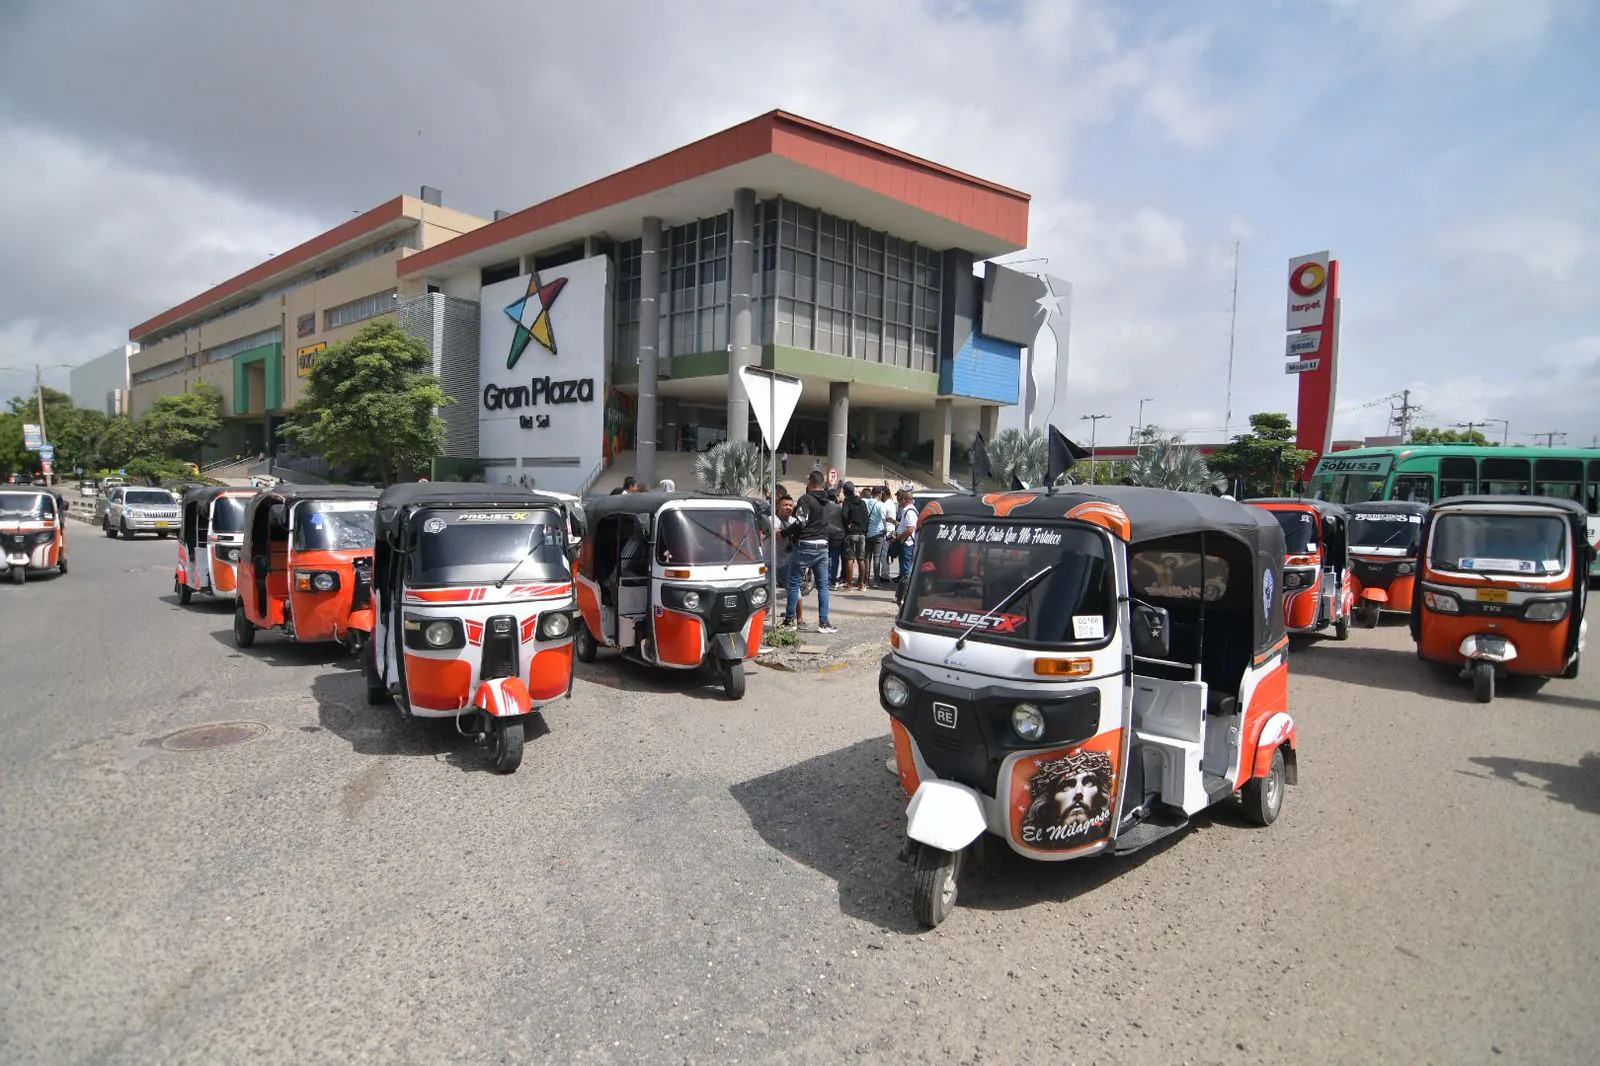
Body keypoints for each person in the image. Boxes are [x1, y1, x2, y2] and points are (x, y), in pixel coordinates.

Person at [779, 471, 836, 633]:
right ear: (822, 484)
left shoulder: (806, 499)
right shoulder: (827, 502)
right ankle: (824, 623)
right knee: (823, 586)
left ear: (810, 483)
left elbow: (801, 522)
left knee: (794, 583)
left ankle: (790, 620)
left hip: (805, 545)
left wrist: (784, 533)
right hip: (823, 546)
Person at [842, 482, 869, 591]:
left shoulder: (847, 502)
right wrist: (864, 529)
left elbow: (844, 515)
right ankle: (862, 584)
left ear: (844, 491)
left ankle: (849, 585)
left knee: (850, 559)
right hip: (862, 534)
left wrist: (848, 525)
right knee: (861, 559)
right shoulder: (862, 502)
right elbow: (866, 517)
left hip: (851, 533)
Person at [889, 488, 919, 585]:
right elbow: (903, 526)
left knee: (906, 570)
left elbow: (910, 529)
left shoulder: (909, 511)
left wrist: (898, 538)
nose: (899, 502)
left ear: (905, 500)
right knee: (903, 568)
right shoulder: (907, 510)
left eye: (900, 499)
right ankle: (902, 587)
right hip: (905, 542)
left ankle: (904, 594)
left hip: (906, 543)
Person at [864, 482, 887, 586]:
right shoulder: (880, 505)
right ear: (880, 494)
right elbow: (883, 518)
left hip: (868, 533)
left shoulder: (866, 502)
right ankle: (876, 581)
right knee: (876, 557)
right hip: (878, 533)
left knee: (867, 557)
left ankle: (865, 580)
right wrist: (886, 528)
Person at [824, 486, 846, 592]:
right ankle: (833, 580)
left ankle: (826, 579)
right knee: (835, 557)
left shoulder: (823, 507)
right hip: (838, 534)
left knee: (826, 556)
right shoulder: (840, 507)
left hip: (826, 533)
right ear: (835, 497)